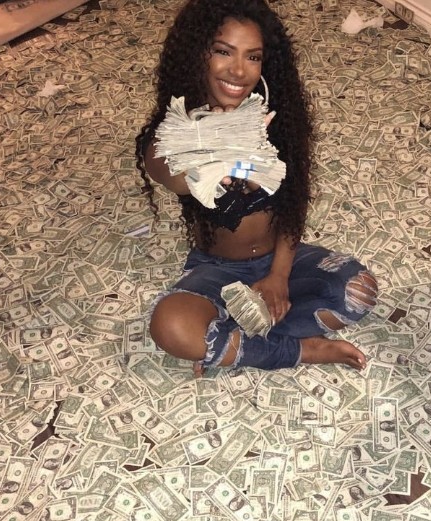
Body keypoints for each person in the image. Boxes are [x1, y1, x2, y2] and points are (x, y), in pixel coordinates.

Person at [136, 0, 378, 376]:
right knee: (172, 327)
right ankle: (301, 348)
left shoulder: (280, 121)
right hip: (218, 268)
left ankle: (233, 341)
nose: (238, 70)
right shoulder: (180, 127)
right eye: (223, 51)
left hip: (280, 259)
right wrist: (216, 147)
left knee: (359, 290)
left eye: (253, 57)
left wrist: (279, 276)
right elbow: (167, 171)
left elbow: (293, 207)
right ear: (198, 54)